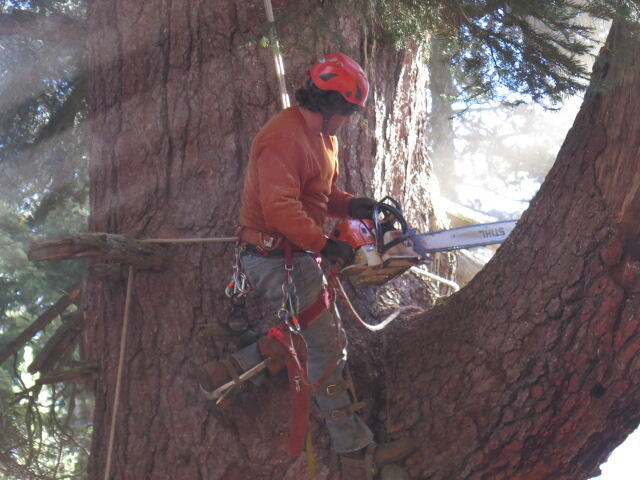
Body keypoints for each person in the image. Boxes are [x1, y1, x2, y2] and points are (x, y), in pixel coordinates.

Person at [198, 52, 414, 480]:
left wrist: (354, 204)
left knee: (306, 334)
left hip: (294, 254)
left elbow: (320, 194)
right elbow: (279, 207)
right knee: (328, 347)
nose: (349, 119)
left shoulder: (323, 138)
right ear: (334, 104)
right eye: (348, 111)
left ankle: (227, 372)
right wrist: (326, 244)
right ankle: (356, 454)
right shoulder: (283, 137)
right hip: (271, 258)